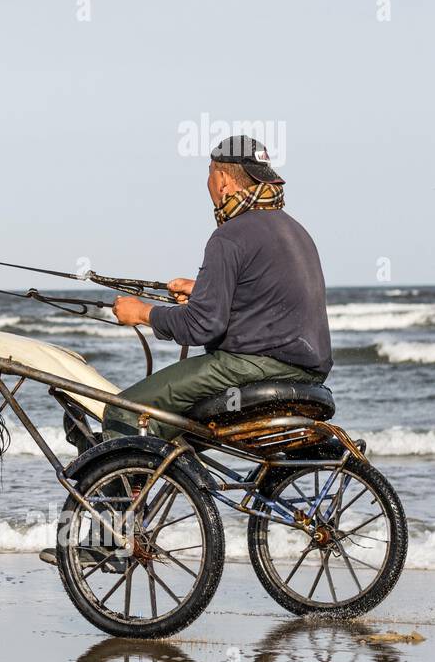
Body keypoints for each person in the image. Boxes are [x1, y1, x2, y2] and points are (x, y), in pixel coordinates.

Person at [102, 135, 332, 439]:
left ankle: (125, 485)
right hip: (309, 368)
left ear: (222, 179)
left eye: (209, 172)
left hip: (256, 365)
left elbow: (202, 326)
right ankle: (178, 477)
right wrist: (203, 290)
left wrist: (143, 313)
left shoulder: (230, 235)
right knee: (176, 422)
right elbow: (267, 292)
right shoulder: (293, 229)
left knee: (122, 410)